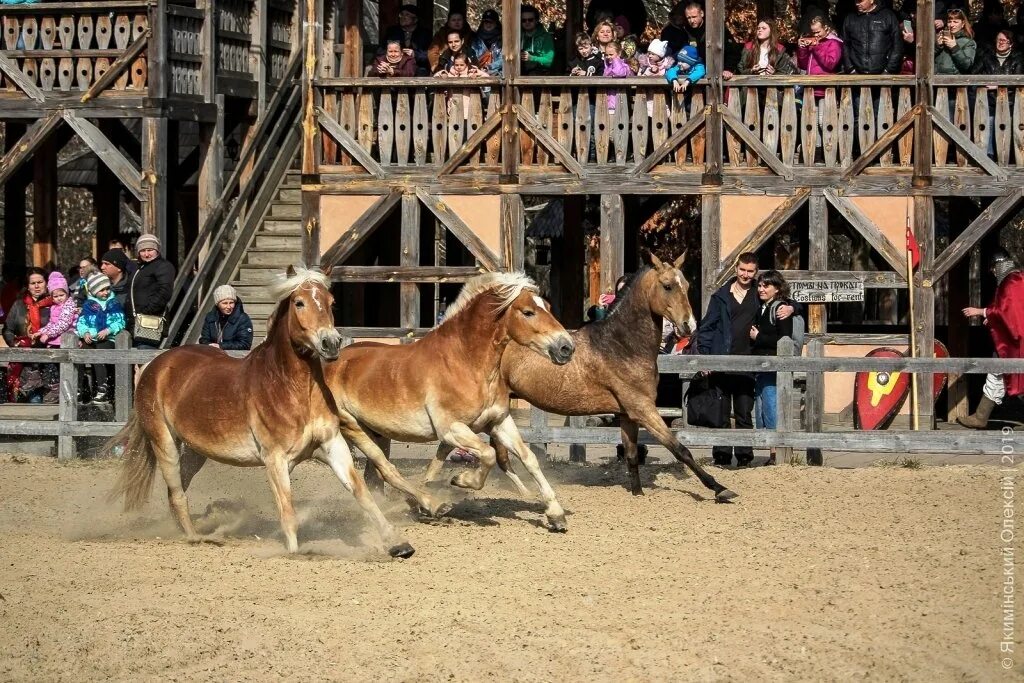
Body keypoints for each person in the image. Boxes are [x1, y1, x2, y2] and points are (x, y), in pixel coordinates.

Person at [695, 253, 795, 467]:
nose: (746, 274)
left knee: (743, 413)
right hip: (721, 362)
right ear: (736, 268)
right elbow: (707, 328)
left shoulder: (757, 295)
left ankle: (743, 457)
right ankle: (721, 456)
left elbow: (780, 296)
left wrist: (794, 307)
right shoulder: (720, 296)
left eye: (750, 271)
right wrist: (705, 356)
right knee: (721, 415)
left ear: (755, 272)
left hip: (748, 362)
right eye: (742, 270)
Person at [957, 250, 1024, 429]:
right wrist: (993, 318)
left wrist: (980, 311)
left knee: (1004, 371)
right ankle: (980, 416)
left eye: (994, 268)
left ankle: (980, 416)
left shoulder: (1012, 282)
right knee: (996, 371)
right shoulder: (1013, 280)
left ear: (1000, 265)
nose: (993, 272)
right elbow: (1006, 310)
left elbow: (1007, 312)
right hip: (1012, 338)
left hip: (1016, 341)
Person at [749, 270, 795, 466]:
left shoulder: (780, 309)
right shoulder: (762, 307)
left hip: (773, 365)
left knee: (771, 405)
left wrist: (758, 337)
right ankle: (772, 452)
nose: (761, 289)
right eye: (759, 285)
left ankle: (777, 453)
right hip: (762, 366)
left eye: (766, 285)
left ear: (777, 289)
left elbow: (784, 340)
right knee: (763, 406)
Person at [1, 267, 54, 403]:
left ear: (46, 283)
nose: (37, 286)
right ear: (28, 286)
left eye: (40, 282)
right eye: (33, 283)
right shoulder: (19, 305)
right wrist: (16, 343)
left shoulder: (55, 304)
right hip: (25, 363)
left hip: (49, 362)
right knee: (33, 402)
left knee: (51, 406)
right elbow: (8, 329)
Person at [76, 272, 126, 404]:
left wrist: (108, 330)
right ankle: (79, 387)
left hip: (108, 338)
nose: (106, 292)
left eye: (107, 289)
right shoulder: (88, 306)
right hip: (92, 337)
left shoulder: (113, 303)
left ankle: (102, 388)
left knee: (99, 354)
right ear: (93, 291)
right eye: (102, 290)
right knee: (79, 354)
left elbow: (120, 321)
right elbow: (81, 322)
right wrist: (84, 333)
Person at [126, 234, 175, 349]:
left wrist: (147, 311)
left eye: (150, 250)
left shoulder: (163, 266)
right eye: (143, 250)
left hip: (150, 322)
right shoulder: (140, 268)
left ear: (157, 250)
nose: (146, 254)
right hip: (135, 322)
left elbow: (165, 291)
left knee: (145, 356)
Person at [841, 0, 902, 75]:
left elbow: (897, 45)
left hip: (883, 74)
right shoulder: (850, 18)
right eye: (856, 1)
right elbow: (845, 45)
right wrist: (851, 69)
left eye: (860, 1)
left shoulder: (888, 16)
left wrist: (889, 70)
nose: (857, 4)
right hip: (857, 74)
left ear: (871, 0)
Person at [798, 15, 844, 97]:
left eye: (818, 32)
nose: (815, 35)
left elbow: (831, 64)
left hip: (826, 89)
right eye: (813, 32)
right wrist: (803, 49)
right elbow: (803, 65)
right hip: (811, 87)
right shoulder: (814, 42)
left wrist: (816, 48)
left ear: (825, 27)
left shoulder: (834, 43)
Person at [199, 284, 253, 351]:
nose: (228, 306)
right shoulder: (210, 317)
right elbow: (204, 338)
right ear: (218, 304)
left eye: (231, 303)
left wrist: (221, 346)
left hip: (234, 356)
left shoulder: (242, 318)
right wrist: (209, 344)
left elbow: (245, 344)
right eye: (224, 303)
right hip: (213, 354)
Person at [381, 4, 431, 75]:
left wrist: (415, 54)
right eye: (401, 14)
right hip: (394, 64)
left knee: (421, 71)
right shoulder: (392, 31)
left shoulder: (424, 34)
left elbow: (429, 55)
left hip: (417, 66)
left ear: (415, 19)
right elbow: (381, 50)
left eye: (407, 15)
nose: (403, 17)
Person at [32, 272, 78, 349]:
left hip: (67, 338)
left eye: (61, 295)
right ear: (52, 298)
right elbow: (52, 323)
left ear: (67, 293)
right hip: (56, 336)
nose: (59, 298)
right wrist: (41, 332)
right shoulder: (54, 307)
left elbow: (63, 324)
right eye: (56, 296)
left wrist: (48, 334)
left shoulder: (69, 305)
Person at [934, 7, 976, 76]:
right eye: (949, 21)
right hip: (936, 81)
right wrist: (937, 46)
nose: (952, 25)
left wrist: (955, 48)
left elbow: (967, 65)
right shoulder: (939, 37)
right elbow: (926, 60)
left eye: (955, 22)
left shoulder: (968, 42)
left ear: (963, 24)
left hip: (953, 83)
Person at [520, 5, 554, 76]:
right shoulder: (517, 36)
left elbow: (549, 61)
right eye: (523, 20)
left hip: (540, 73)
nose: (527, 22)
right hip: (519, 70)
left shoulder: (545, 37)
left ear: (536, 20)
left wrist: (532, 58)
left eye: (530, 20)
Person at [475, 8, 503, 77]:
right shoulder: (476, 39)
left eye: (491, 22)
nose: (488, 24)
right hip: (478, 72)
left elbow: (504, 59)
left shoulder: (503, 38)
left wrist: (489, 67)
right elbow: (473, 56)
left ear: (496, 23)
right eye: (486, 22)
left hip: (497, 74)